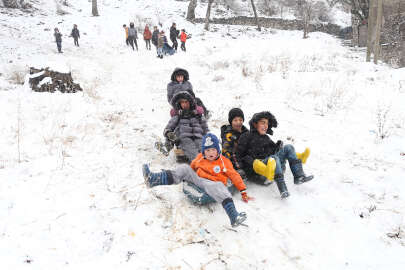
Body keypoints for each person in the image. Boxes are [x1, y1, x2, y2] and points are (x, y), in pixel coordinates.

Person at [143, 133, 253, 227]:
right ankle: (153, 179)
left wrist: (243, 191)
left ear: (218, 150)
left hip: (213, 185)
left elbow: (234, 175)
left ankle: (234, 216)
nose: (210, 153)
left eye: (213, 150)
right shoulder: (200, 157)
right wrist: (185, 176)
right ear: (204, 151)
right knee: (184, 168)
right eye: (208, 150)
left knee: (219, 186)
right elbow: (192, 167)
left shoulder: (224, 162)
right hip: (199, 180)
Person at [236, 111, 313, 198]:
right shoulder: (246, 136)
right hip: (259, 172)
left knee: (288, 147)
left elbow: (274, 151)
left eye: (267, 124)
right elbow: (239, 155)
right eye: (263, 123)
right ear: (255, 124)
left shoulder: (266, 138)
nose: (265, 126)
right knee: (273, 158)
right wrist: (250, 163)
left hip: (272, 166)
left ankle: (299, 176)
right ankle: (283, 189)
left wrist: (278, 147)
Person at [163, 91, 209, 163]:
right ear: (179, 104)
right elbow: (168, 128)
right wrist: (170, 134)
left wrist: (208, 138)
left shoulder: (198, 116)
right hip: (184, 139)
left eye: (186, 102)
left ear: (190, 102)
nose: (184, 104)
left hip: (198, 137)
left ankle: (207, 165)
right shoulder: (178, 116)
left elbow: (205, 129)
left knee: (203, 149)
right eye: (182, 102)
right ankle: (199, 164)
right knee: (192, 150)